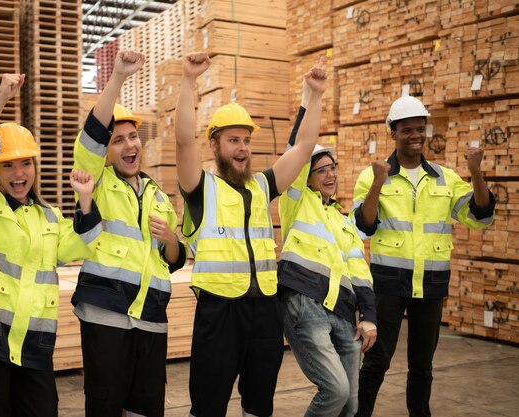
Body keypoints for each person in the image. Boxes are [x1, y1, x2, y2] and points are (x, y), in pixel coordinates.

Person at [174, 52, 327, 417]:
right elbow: (182, 144)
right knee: (208, 405)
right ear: (215, 145)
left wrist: (316, 94)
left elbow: (304, 148)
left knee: (260, 403)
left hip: (264, 311)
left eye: (246, 140)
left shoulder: (262, 186)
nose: (242, 148)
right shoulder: (200, 189)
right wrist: (188, 81)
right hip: (220, 312)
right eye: (233, 141)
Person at [0, 73, 100, 417]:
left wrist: (86, 200)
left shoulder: (49, 216)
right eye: (8, 165)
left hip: (33, 346)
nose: (19, 173)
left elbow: (81, 245)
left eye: (26, 163)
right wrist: (1, 97)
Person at [353, 96, 496, 417]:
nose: (416, 135)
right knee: (377, 361)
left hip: (431, 284)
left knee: (422, 365)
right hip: (388, 283)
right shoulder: (373, 175)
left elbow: (481, 216)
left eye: (420, 128)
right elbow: (364, 225)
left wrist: (475, 173)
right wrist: (378, 182)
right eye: (407, 130)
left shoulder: (445, 178)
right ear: (394, 133)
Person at [70, 50, 187, 417]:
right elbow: (90, 138)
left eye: (133, 137)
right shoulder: (98, 181)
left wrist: (171, 240)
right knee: (106, 406)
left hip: (151, 318)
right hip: (107, 316)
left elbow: (173, 260)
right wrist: (119, 76)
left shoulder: (158, 195)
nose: (129, 145)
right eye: (118, 140)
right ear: (105, 153)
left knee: (146, 408)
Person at [278, 89, 377, 417]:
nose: (330, 174)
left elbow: (360, 271)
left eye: (332, 167)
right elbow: (295, 149)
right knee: (335, 390)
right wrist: (312, 96)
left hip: (343, 311)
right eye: (321, 169)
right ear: (306, 175)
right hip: (306, 304)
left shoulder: (343, 219)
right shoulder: (296, 201)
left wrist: (370, 318)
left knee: (350, 404)